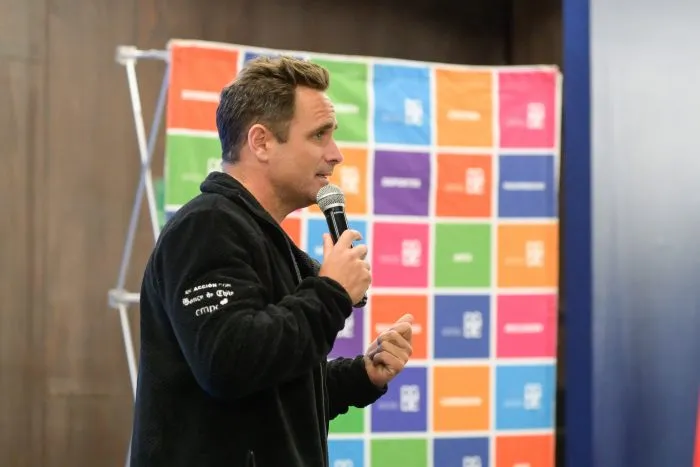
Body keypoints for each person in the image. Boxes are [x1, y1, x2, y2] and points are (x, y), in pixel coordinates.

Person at [129, 55, 415, 467]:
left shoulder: (262, 237)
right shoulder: (207, 226)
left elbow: (275, 394)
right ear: (261, 142)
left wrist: (362, 375)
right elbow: (228, 364)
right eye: (319, 135)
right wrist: (331, 292)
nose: (336, 154)